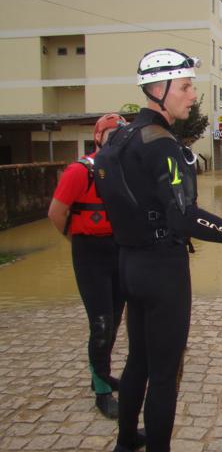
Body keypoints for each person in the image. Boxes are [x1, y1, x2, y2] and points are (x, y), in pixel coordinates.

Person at [95, 48, 222, 452]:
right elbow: (184, 217)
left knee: (137, 358)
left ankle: (125, 443)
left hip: (128, 264)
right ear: (160, 89)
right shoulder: (160, 144)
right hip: (161, 270)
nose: (193, 95)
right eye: (187, 86)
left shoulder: (118, 137)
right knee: (165, 372)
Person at [48, 113, 127, 419]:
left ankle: (103, 373)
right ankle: (101, 391)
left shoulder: (127, 172)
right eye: (111, 134)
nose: (117, 139)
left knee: (115, 320)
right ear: (98, 138)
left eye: (121, 134)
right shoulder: (79, 171)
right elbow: (56, 213)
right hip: (89, 252)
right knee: (101, 324)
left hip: (118, 250)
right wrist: (76, 240)